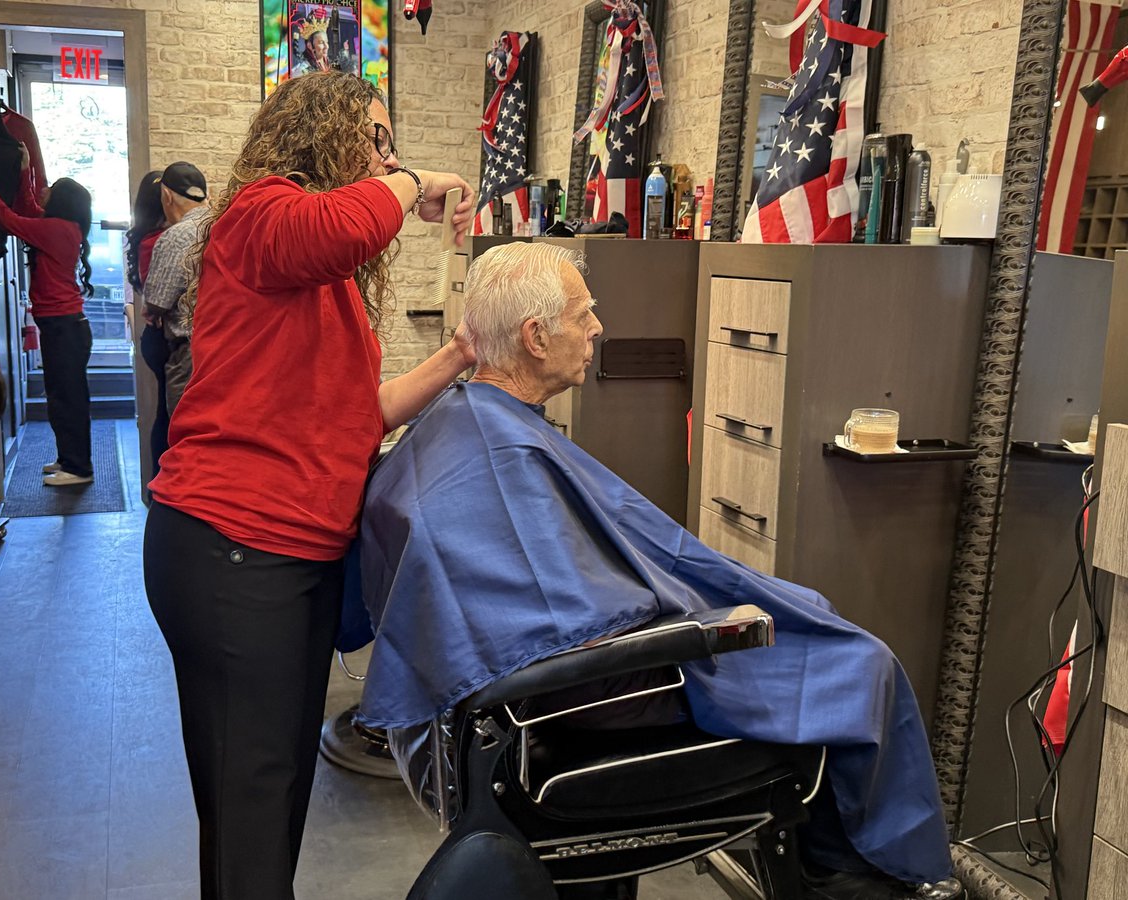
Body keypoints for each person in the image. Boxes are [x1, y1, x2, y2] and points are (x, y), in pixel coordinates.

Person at [352, 243, 964, 900]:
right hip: (589, 692)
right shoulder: (501, 449)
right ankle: (852, 872)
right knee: (858, 662)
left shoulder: (463, 422)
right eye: (583, 316)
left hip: (521, 697)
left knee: (810, 619)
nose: (597, 330)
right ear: (534, 338)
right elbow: (575, 627)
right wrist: (693, 623)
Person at [141, 70, 476, 900]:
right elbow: (347, 224)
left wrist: (463, 353)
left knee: (276, 793)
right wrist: (418, 179)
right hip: (231, 551)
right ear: (326, 136)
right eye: (375, 136)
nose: (384, 156)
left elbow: (360, 414)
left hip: (290, 558)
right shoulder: (260, 212)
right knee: (251, 809)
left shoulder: (314, 276)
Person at [0, 153, 95, 487]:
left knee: (67, 399)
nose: (44, 190)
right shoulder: (59, 227)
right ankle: (68, 459)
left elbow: (8, 218)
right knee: (61, 396)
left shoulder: (56, 230)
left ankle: (78, 468)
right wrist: (21, 173)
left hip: (64, 328)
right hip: (63, 326)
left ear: (61, 200)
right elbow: (26, 209)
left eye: (51, 188)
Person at [142, 161, 209, 417]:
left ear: (166, 196)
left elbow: (157, 301)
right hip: (228, 349)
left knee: (186, 432)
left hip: (189, 352)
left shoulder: (176, 235)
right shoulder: (227, 224)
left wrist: (151, 309)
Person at [126, 170, 169, 478]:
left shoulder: (147, 240)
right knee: (168, 415)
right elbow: (157, 301)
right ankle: (159, 489)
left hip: (156, 338)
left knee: (167, 413)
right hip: (163, 338)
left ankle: (159, 489)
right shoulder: (158, 242)